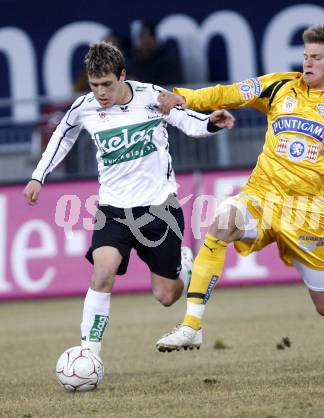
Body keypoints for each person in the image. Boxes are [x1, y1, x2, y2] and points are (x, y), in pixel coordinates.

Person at [155, 25, 324, 363]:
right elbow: (231, 93)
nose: (308, 63)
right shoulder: (281, 85)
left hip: (305, 213)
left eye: (316, 58)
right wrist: (186, 97)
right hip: (262, 194)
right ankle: (192, 324)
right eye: (305, 57)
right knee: (222, 222)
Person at [23, 41, 235, 357]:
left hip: (159, 208)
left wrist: (211, 123)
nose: (101, 92)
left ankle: (183, 269)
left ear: (122, 75)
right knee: (102, 273)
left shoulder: (152, 96)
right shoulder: (84, 107)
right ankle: (88, 353)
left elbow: (189, 121)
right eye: (94, 85)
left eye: (107, 84)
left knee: (165, 296)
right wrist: (39, 175)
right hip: (113, 210)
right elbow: (62, 136)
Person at [128, 21, 183, 86]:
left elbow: (170, 87)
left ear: (157, 41)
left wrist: (139, 84)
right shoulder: (133, 63)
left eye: (148, 44)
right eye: (143, 42)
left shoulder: (168, 62)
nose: (145, 47)